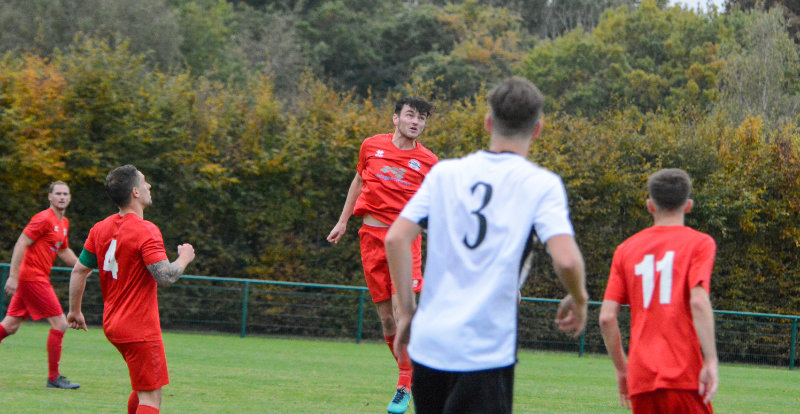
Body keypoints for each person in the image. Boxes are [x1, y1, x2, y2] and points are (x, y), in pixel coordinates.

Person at [385, 77, 589, 414]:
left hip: (430, 345)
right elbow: (566, 260)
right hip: (485, 350)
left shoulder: (445, 173)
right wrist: (579, 298)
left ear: (488, 122)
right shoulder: (541, 184)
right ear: (538, 129)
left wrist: (406, 313)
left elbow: (395, 238)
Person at [327, 97, 438, 413]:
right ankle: (411, 375)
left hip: (405, 241)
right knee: (388, 322)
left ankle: (405, 385)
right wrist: (343, 221)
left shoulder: (430, 162)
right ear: (395, 118)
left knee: (404, 315)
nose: (416, 122)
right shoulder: (371, 146)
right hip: (371, 238)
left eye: (421, 118)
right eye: (410, 115)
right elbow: (359, 180)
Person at [67, 165, 196, 414]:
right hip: (139, 327)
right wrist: (184, 258)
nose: (149, 186)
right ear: (135, 192)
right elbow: (166, 277)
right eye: (144, 182)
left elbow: (79, 271)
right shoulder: (146, 230)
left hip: (113, 324)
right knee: (151, 396)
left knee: (142, 387)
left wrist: (74, 311)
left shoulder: (100, 229)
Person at [599, 168, 718, 413]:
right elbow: (698, 301)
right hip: (683, 374)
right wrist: (711, 360)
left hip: (641, 379)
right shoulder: (700, 243)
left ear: (650, 206)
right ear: (688, 205)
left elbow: (607, 317)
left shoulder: (625, 249)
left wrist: (622, 370)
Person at [0, 181, 80, 389]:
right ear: (50, 197)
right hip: (32, 278)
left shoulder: (64, 223)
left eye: (65, 194)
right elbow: (21, 243)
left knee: (10, 326)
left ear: (70, 198)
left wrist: (83, 266)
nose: (62, 197)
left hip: (35, 278)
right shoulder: (43, 218)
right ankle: (53, 378)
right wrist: (13, 277)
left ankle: (54, 378)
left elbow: (63, 250)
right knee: (60, 323)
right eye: (58, 193)